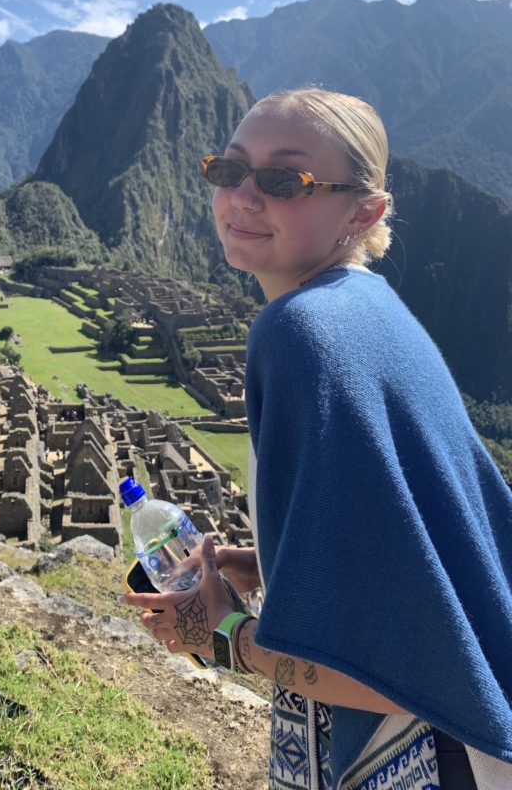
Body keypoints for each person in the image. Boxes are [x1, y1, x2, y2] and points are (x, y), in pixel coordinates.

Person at [120, 89, 512, 789]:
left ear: (364, 213)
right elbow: (409, 537)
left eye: (283, 181)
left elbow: (389, 672)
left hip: (437, 753)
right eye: (228, 170)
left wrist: (222, 635)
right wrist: (273, 564)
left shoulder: (298, 333)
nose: (243, 196)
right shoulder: (370, 307)